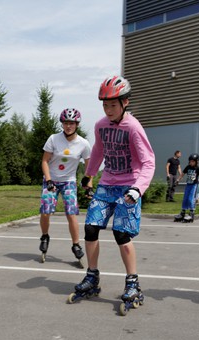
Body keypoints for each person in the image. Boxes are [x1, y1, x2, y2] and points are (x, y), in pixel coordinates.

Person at [70, 76, 155, 314]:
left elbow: (149, 161)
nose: (108, 110)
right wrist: (88, 176)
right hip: (107, 184)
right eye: (105, 105)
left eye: (113, 105)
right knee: (90, 228)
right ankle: (92, 276)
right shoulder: (101, 126)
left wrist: (138, 189)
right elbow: (98, 152)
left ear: (125, 102)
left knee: (121, 233)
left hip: (129, 186)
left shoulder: (134, 128)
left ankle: (132, 282)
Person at [39, 108, 91, 266]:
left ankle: (76, 245)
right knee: (46, 212)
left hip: (69, 181)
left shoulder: (83, 144)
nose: (68, 126)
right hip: (52, 180)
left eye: (72, 123)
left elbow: (90, 167)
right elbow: (44, 161)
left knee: (71, 213)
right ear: (62, 124)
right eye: (66, 123)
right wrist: (48, 180)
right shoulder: (54, 139)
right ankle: (45, 236)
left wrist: (88, 184)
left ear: (77, 124)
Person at [173, 153, 199, 222]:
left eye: (193, 161)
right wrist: (178, 180)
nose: (191, 163)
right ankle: (182, 213)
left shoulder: (198, 168)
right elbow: (182, 174)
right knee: (185, 199)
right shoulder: (188, 167)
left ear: (196, 162)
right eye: (190, 161)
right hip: (188, 185)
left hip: (194, 185)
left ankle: (191, 214)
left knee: (191, 199)